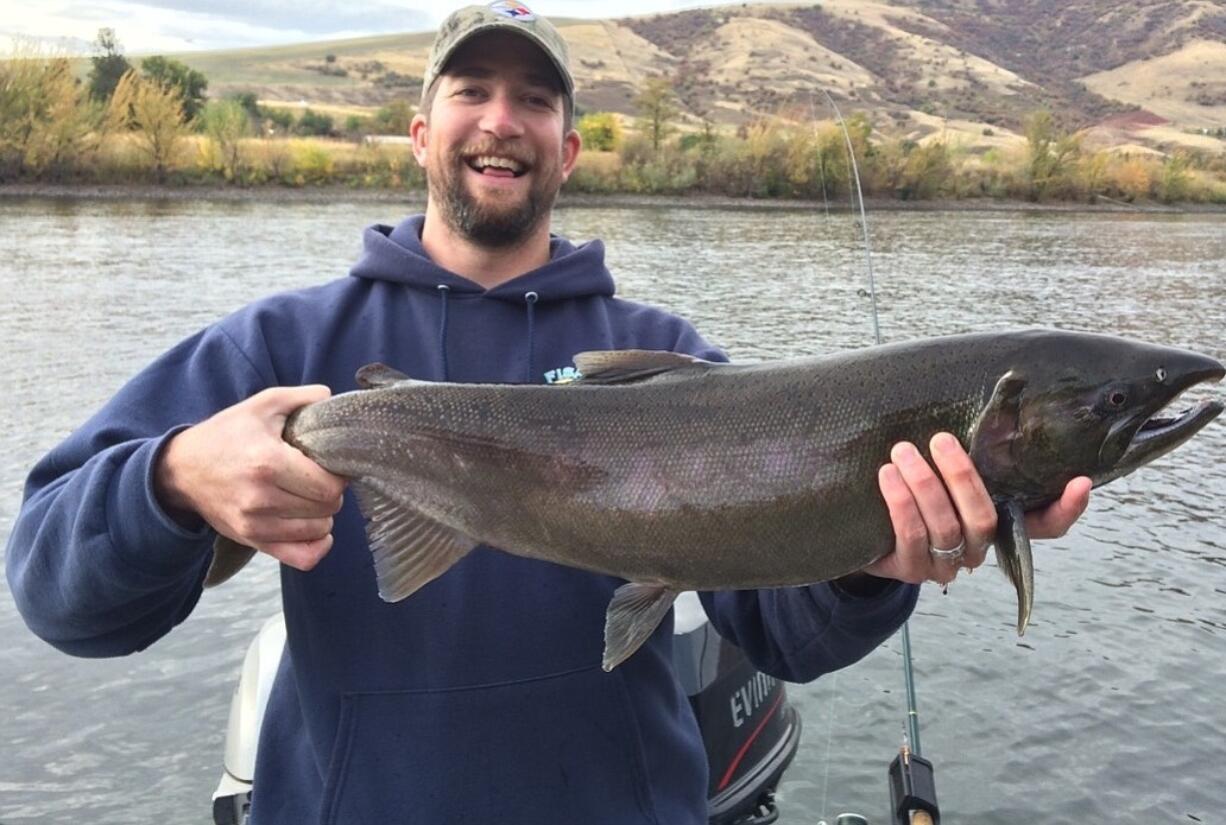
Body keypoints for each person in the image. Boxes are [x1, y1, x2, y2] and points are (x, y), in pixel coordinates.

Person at [5, 4, 1092, 824]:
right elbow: (61, 599)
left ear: (567, 148)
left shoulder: (677, 367)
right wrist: (171, 478)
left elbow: (782, 639)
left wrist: (869, 561)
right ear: (420, 134)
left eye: (534, 99)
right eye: (472, 90)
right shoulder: (280, 354)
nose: (501, 119)